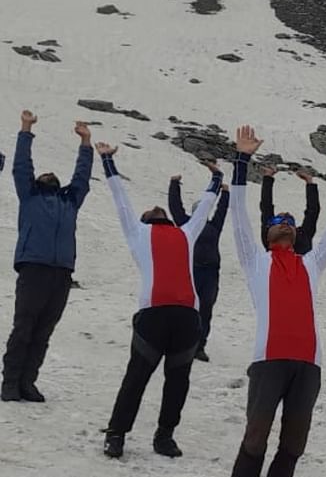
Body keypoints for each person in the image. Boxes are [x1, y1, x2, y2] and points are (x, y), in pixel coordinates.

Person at [221, 126, 326, 477]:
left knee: (293, 444)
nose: (283, 227)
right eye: (277, 224)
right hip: (269, 361)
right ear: (267, 235)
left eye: (289, 225)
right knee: (256, 438)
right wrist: (241, 161)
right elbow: (239, 216)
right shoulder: (255, 262)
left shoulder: (311, 264)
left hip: (307, 366)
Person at [97, 143, 222, 458]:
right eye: (149, 210)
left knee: (178, 382)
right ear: (143, 219)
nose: (154, 207)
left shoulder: (186, 232)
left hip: (186, 318)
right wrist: (107, 159)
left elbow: (207, 205)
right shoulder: (137, 232)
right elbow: (120, 199)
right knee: (136, 377)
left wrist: (217, 176)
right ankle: (116, 434)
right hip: (153, 315)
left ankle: (164, 435)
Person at [2, 112, 94, 403]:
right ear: (39, 180)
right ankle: (10, 383)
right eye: (45, 174)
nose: (49, 174)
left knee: (43, 331)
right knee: (24, 327)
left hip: (62, 272)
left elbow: (82, 177)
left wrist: (86, 142)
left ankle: (28, 382)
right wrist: (26, 129)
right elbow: (20, 166)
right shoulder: (29, 194)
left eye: (52, 175)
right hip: (34, 268)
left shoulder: (70, 200)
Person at [168, 170, 230, 363]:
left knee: (205, 309)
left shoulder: (214, 226)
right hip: (190, 270)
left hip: (211, 272)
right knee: (185, 308)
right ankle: (180, 342)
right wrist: (174, 184)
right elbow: (175, 207)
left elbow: (222, 210)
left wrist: (225, 193)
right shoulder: (186, 224)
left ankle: (199, 346)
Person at [258, 165, 320, 255]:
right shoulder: (302, 238)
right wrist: (309, 182)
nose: (285, 223)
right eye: (278, 220)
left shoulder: (270, 235)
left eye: (289, 221)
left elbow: (266, 206)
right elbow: (313, 212)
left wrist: (268, 177)